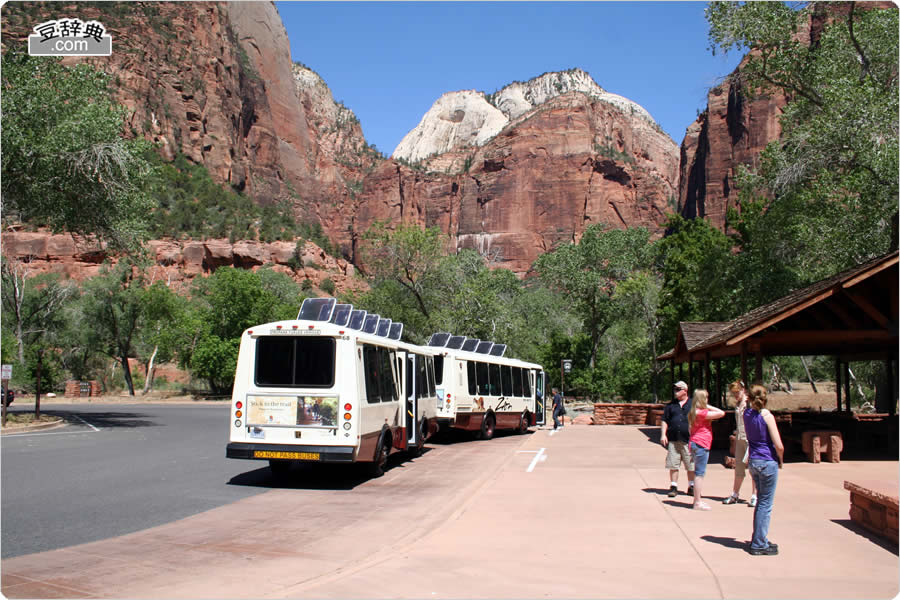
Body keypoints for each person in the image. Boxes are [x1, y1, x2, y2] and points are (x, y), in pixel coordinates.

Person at [743, 383, 784, 555]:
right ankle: (759, 543)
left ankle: (760, 538)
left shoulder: (746, 414)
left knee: (761, 502)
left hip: (754, 460)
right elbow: (778, 444)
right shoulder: (766, 415)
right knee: (765, 504)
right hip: (767, 461)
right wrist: (780, 459)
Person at [687, 389, 726, 510]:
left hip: (695, 442)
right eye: (706, 398)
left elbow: (689, 429)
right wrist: (707, 405)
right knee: (699, 474)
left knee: (698, 472)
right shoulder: (702, 413)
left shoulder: (693, 412)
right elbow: (721, 413)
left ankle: (697, 500)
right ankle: (697, 502)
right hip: (701, 444)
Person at [723, 381, 758, 507]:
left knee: (753, 467)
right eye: (734, 393)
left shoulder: (750, 403)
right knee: (739, 467)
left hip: (750, 439)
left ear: (743, 390)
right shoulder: (738, 404)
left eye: (737, 392)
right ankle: (735, 494)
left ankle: (754, 495)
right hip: (740, 438)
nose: (736, 395)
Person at [660, 380, 694, 498]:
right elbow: (665, 420)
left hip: (688, 440)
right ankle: (673, 486)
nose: (675, 392)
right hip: (673, 440)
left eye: (678, 389)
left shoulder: (692, 404)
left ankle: (691, 486)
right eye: (675, 389)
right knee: (673, 464)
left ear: (685, 391)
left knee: (690, 465)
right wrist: (663, 434)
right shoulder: (671, 405)